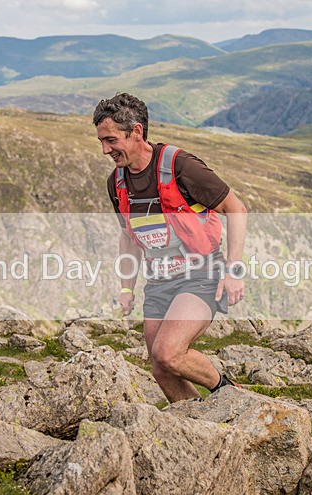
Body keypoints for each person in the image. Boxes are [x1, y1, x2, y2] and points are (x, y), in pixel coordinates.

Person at [93, 93, 248, 402]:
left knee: (169, 353)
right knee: (161, 368)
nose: (105, 149)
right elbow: (128, 237)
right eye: (101, 141)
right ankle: (200, 424)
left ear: (136, 132)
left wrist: (233, 270)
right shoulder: (117, 183)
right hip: (159, 282)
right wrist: (126, 289)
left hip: (201, 275)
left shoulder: (181, 166)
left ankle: (230, 394)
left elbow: (237, 209)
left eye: (111, 140)